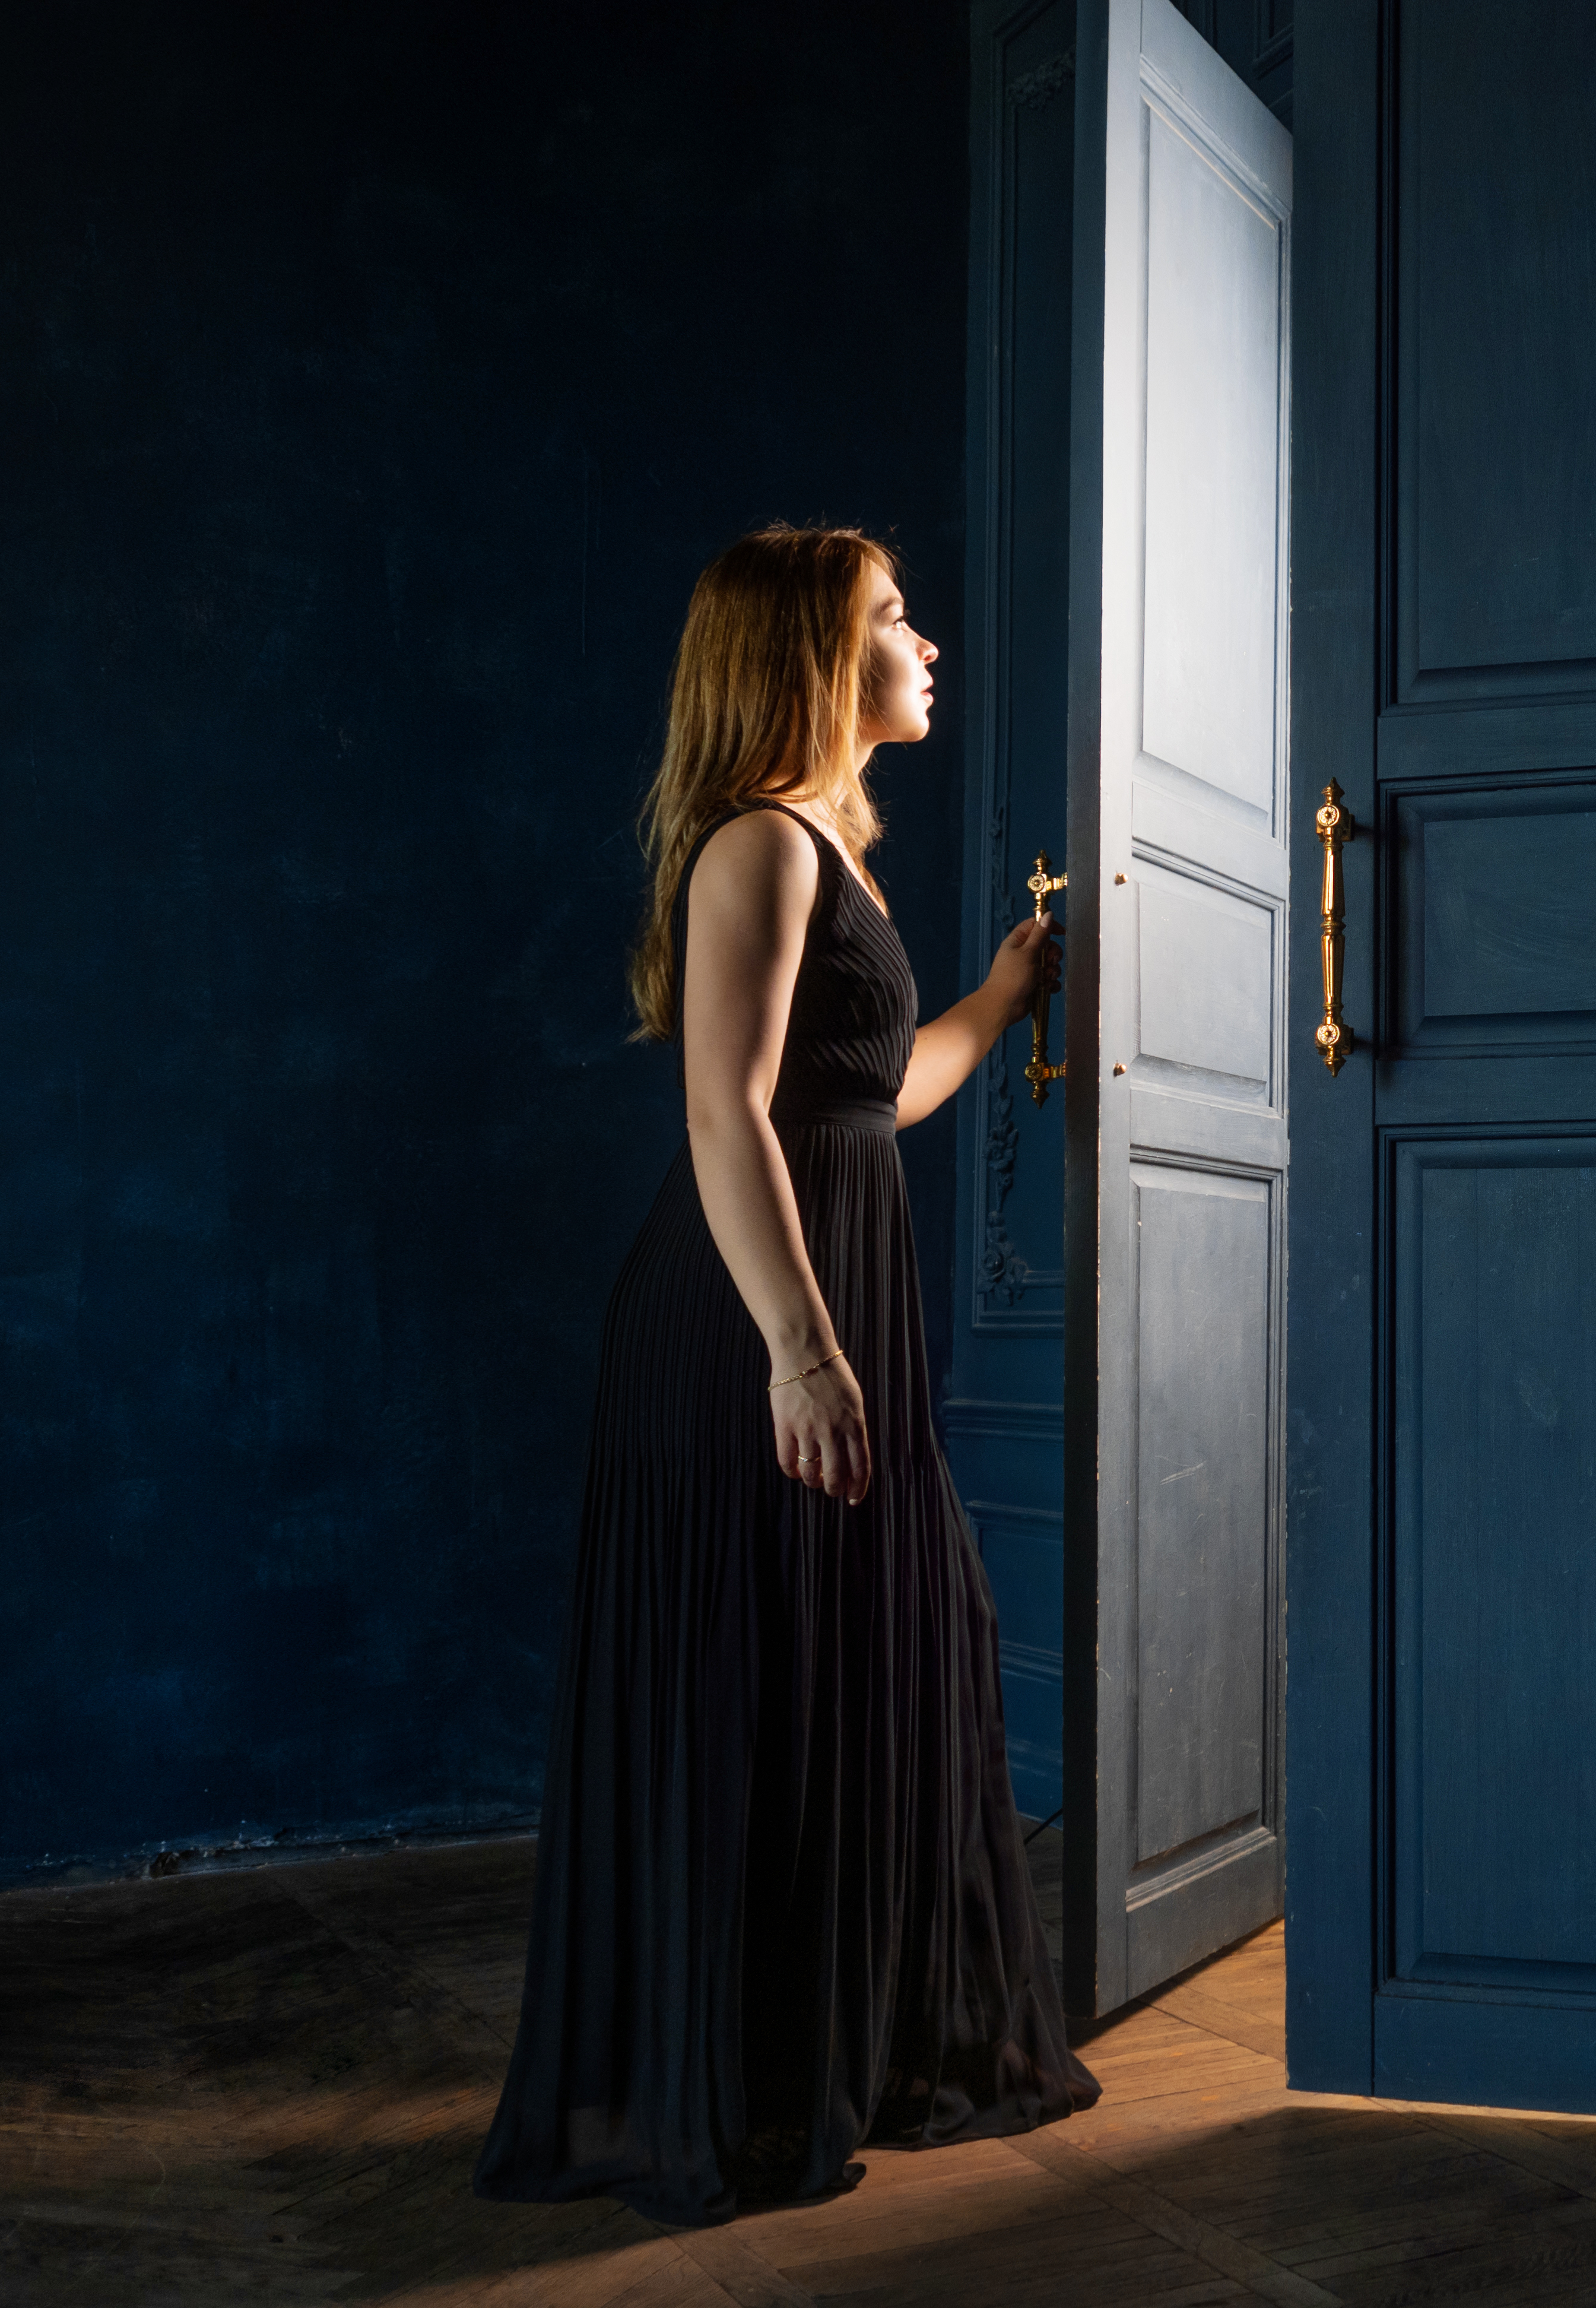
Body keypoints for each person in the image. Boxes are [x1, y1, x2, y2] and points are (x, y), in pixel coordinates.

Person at [474, 525, 1097, 2227]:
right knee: (771, 1674)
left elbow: (868, 1098)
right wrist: (801, 1352)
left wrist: (998, 995)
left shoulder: (840, 852)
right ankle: (746, 2079)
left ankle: (836, 2045)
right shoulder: (759, 841)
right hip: (749, 1325)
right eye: (894, 619)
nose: (926, 642)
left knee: (889, 1646)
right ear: (817, 658)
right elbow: (726, 1109)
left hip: (814, 1308)